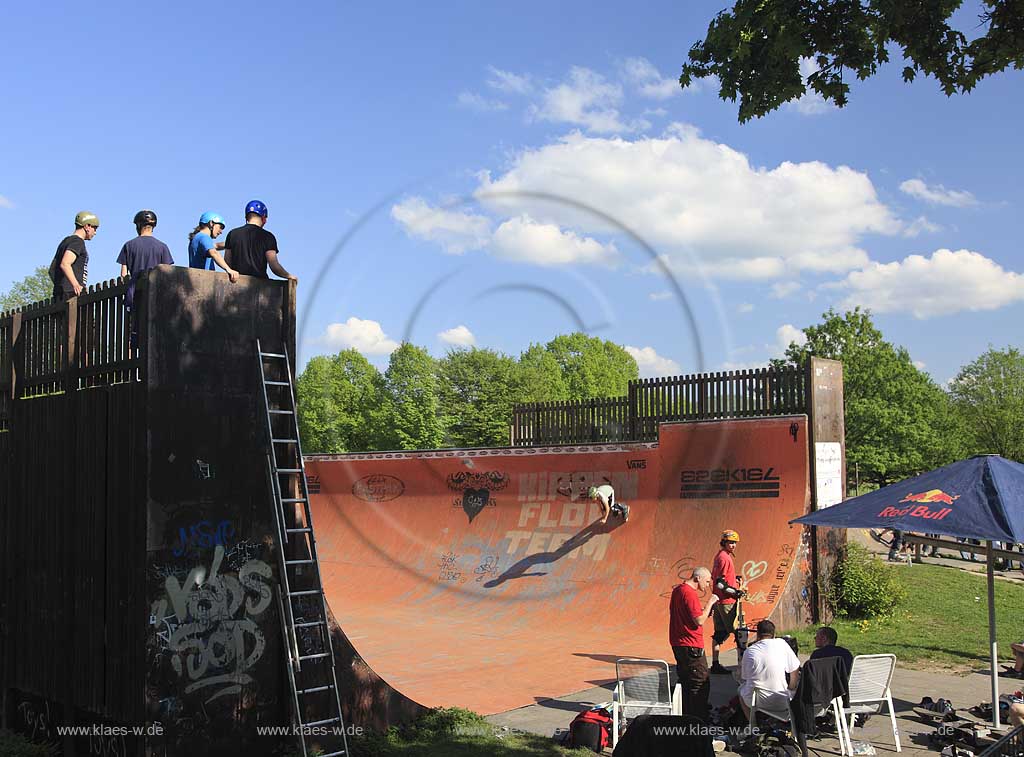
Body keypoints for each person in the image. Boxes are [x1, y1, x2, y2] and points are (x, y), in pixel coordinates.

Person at [669, 567, 719, 721]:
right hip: (691, 644)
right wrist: (710, 603)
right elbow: (699, 620)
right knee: (700, 681)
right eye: (707, 581)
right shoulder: (690, 593)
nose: (708, 585)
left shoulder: (678, 590)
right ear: (698, 578)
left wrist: (704, 610)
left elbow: (686, 614)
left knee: (685, 679)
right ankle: (697, 719)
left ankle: (685, 714)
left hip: (678, 641)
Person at [739, 619, 801, 720]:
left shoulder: (749, 651)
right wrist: (791, 687)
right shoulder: (782, 644)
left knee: (740, 691)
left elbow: (745, 677)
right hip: (783, 700)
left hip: (757, 701)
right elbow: (795, 668)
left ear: (757, 634)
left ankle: (753, 725)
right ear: (774, 634)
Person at [222, 200, 297, 281]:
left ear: (246, 217)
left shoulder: (232, 234)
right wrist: (289, 276)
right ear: (263, 217)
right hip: (259, 286)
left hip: (236, 284)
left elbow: (227, 262)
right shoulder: (268, 237)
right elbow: (274, 266)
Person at [117, 211, 173, 308]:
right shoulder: (163, 247)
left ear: (138, 225)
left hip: (135, 296)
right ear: (153, 226)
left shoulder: (128, 245)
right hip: (156, 296)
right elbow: (168, 273)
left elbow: (123, 275)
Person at [710, 529, 743, 674]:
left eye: (735, 542)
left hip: (718, 601)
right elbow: (720, 584)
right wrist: (736, 592)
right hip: (727, 602)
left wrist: (734, 578)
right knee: (739, 634)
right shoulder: (724, 558)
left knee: (719, 634)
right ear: (724, 542)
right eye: (731, 542)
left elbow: (717, 577)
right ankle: (742, 666)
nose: (733, 545)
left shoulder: (720, 556)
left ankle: (715, 664)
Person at [49, 211, 100, 300]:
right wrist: (76, 285)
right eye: (95, 228)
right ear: (87, 226)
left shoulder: (65, 242)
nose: (95, 232)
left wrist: (60, 286)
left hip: (59, 295)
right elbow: (65, 264)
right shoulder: (78, 242)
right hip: (72, 294)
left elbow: (51, 270)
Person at [188, 212, 239, 281]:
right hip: (204, 281)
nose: (221, 232)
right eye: (220, 227)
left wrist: (233, 243)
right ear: (211, 223)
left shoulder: (197, 238)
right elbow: (214, 253)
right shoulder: (205, 237)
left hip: (195, 280)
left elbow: (216, 246)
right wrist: (229, 269)